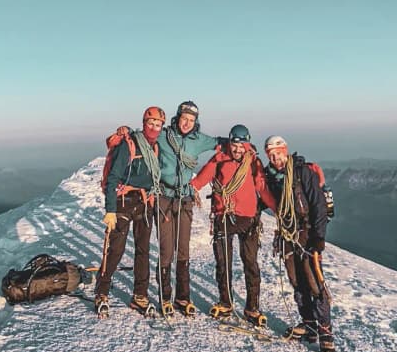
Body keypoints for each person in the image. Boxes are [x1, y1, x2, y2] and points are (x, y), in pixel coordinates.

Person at [190, 124, 275, 326]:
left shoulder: (253, 161)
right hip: (224, 216)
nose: (237, 150)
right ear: (230, 143)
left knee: (250, 264)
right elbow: (201, 179)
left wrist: (277, 210)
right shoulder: (219, 158)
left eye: (241, 146)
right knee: (223, 263)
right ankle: (226, 302)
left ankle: (252, 307)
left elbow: (261, 188)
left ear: (247, 145)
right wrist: (189, 189)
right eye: (235, 145)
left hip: (248, 219)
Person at [261, 134, 335, 352]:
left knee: (313, 280)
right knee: (295, 279)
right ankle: (309, 323)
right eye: (271, 155)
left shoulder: (303, 173)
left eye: (278, 153)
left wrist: (319, 237)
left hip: (307, 232)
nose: (276, 158)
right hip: (288, 234)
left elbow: (318, 205)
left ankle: (325, 331)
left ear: (286, 150)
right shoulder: (271, 177)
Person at [94, 106, 166, 317]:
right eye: (150, 123)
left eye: (158, 125)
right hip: (123, 201)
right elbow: (113, 177)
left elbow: (154, 176)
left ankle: (140, 295)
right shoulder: (129, 144)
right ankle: (102, 292)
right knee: (115, 249)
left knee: (143, 251)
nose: (154, 128)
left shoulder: (156, 147)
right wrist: (110, 210)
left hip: (144, 201)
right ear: (144, 123)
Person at [154, 100, 221, 316]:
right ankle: (165, 296)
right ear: (178, 117)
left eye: (191, 120)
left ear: (195, 122)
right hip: (164, 197)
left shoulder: (198, 140)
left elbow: (221, 143)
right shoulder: (164, 136)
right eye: (184, 119)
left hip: (184, 199)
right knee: (166, 249)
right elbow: (141, 138)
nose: (187, 123)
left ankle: (183, 298)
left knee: (183, 248)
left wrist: (244, 145)